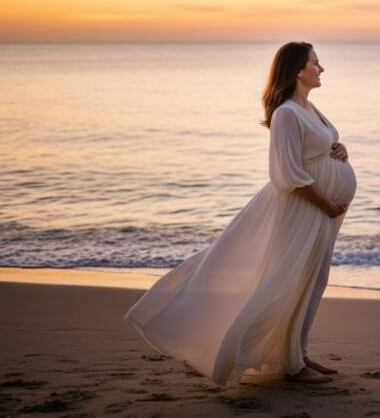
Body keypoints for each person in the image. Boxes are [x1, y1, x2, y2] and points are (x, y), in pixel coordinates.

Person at [124, 41, 357, 385]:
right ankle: (290, 365)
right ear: (297, 70)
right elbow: (287, 174)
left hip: (323, 212)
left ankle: (297, 353)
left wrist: (339, 147)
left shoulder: (309, 107)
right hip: (306, 209)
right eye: (315, 63)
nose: (321, 69)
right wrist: (325, 204)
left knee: (313, 280)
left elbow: (320, 146)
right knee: (287, 282)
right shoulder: (286, 113)